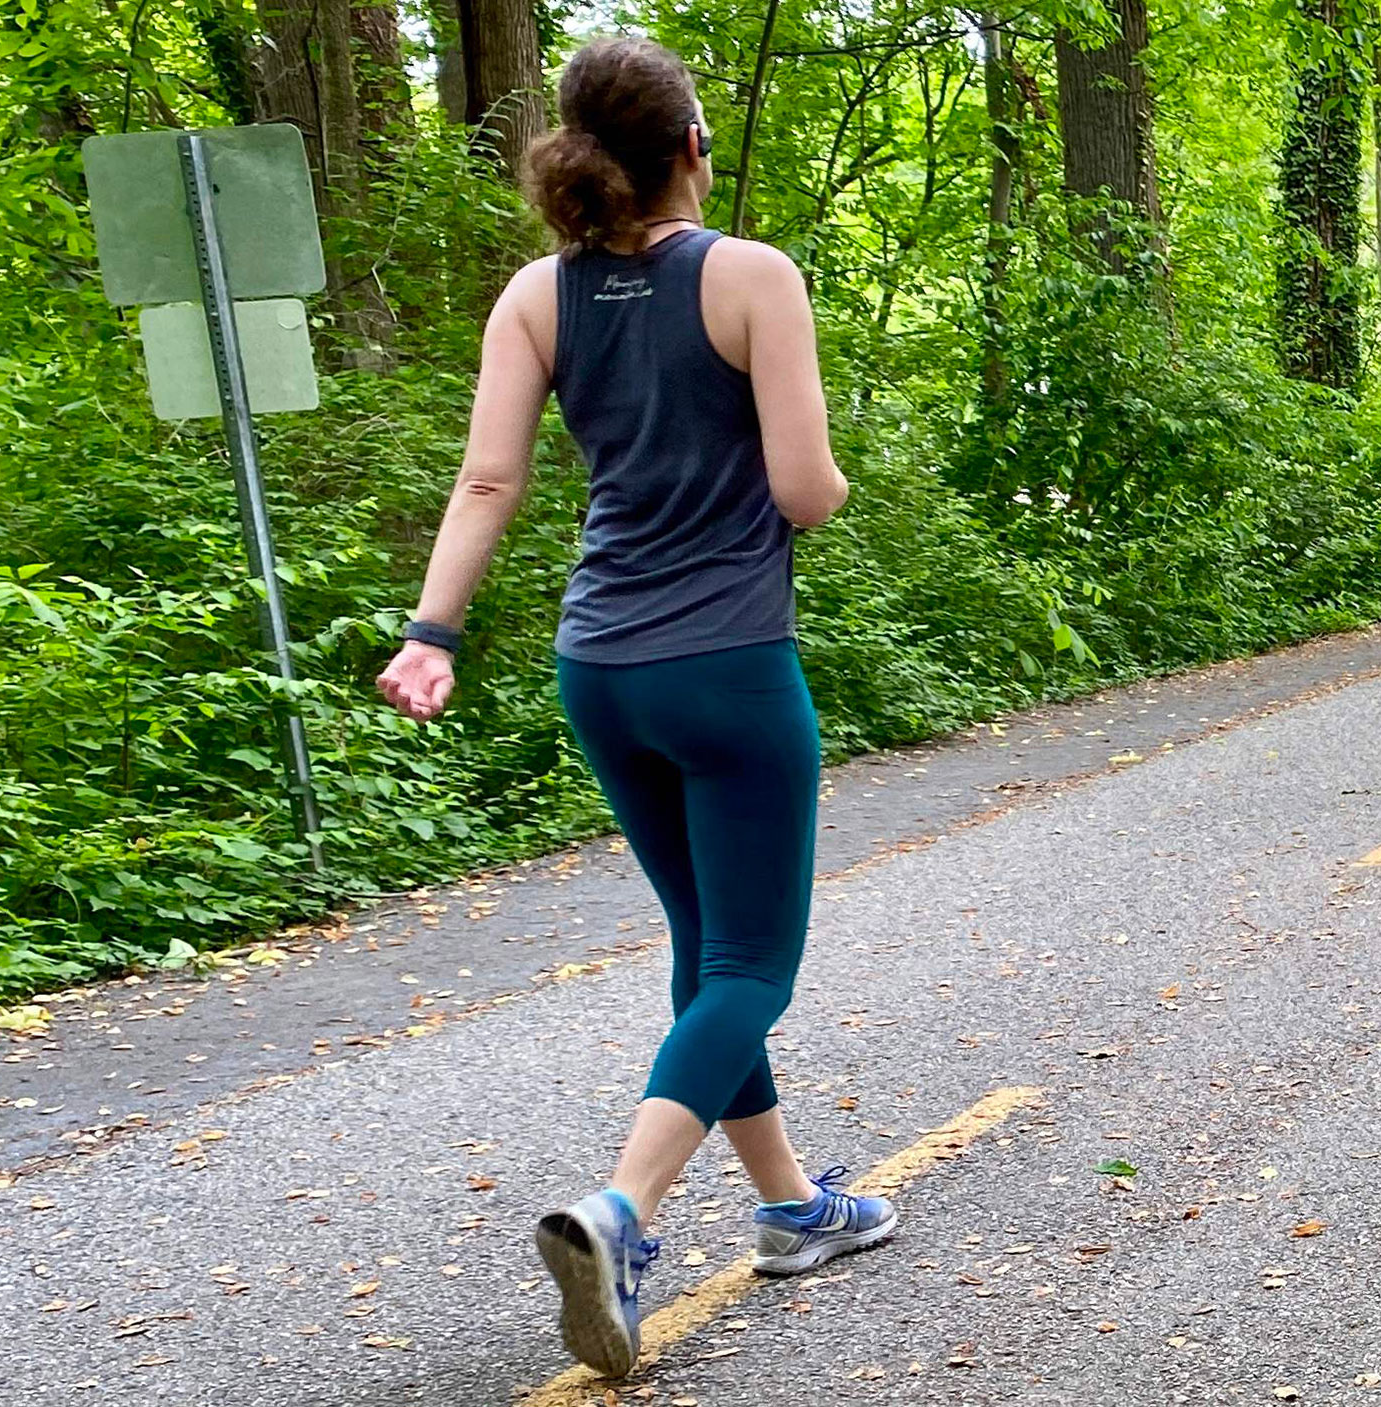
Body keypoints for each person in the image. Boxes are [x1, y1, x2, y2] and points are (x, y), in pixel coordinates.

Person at [374, 36, 893, 1379]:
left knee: (704, 949)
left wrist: (433, 631)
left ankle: (789, 1208)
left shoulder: (536, 297)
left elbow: (489, 483)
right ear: (690, 150)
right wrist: (826, 484)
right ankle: (622, 1214)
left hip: (599, 666)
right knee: (752, 964)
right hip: (728, 664)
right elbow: (803, 488)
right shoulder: (752, 276)